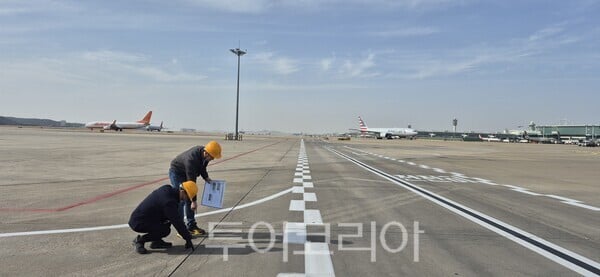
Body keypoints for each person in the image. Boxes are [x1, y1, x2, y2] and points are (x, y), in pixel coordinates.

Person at [169, 141, 222, 236]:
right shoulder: (191, 160)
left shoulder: (203, 154)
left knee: (189, 200)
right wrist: (194, 201)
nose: (212, 159)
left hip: (186, 172)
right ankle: (181, 230)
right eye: (212, 157)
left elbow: (202, 168)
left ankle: (191, 226)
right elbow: (191, 183)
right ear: (206, 153)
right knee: (181, 200)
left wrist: (206, 177)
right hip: (177, 173)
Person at [129, 181, 197, 254]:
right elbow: (177, 222)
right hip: (138, 222)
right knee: (165, 230)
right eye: (187, 197)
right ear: (182, 191)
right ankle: (140, 240)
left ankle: (156, 242)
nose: (187, 199)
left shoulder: (168, 189)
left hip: (146, 217)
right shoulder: (169, 202)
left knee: (167, 221)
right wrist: (187, 238)